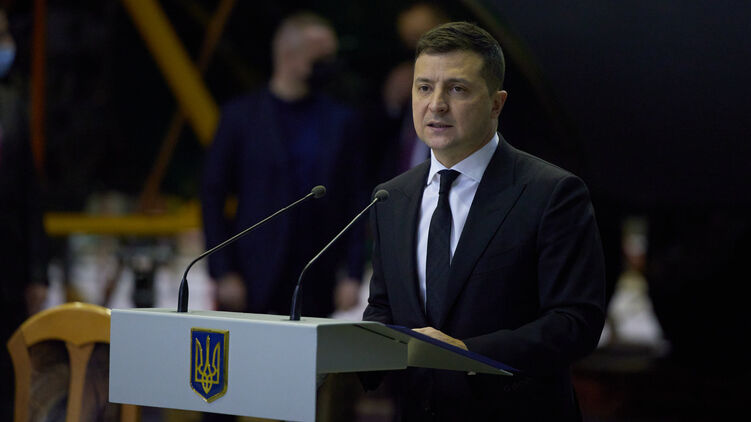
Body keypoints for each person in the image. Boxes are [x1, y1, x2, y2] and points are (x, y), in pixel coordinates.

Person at [362, 22, 605, 420]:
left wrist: (466, 354)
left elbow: (575, 322)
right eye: (424, 87)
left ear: (496, 104)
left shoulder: (552, 193)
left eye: (457, 89)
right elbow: (384, 308)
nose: (436, 104)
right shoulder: (391, 197)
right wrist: (347, 357)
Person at [201, 12, 366, 318]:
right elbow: (213, 196)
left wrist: (353, 273)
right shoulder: (240, 117)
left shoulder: (341, 121)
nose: (330, 66)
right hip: (252, 274)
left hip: (317, 277)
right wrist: (222, 271)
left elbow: (356, 200)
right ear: (289, 56)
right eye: (320, 59)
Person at [0, 7, 49, 420]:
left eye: (5, 35)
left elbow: (30, 195)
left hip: (8, 273)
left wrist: (37, 272)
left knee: (9, 382)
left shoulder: (13, 104)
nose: (6, 45)